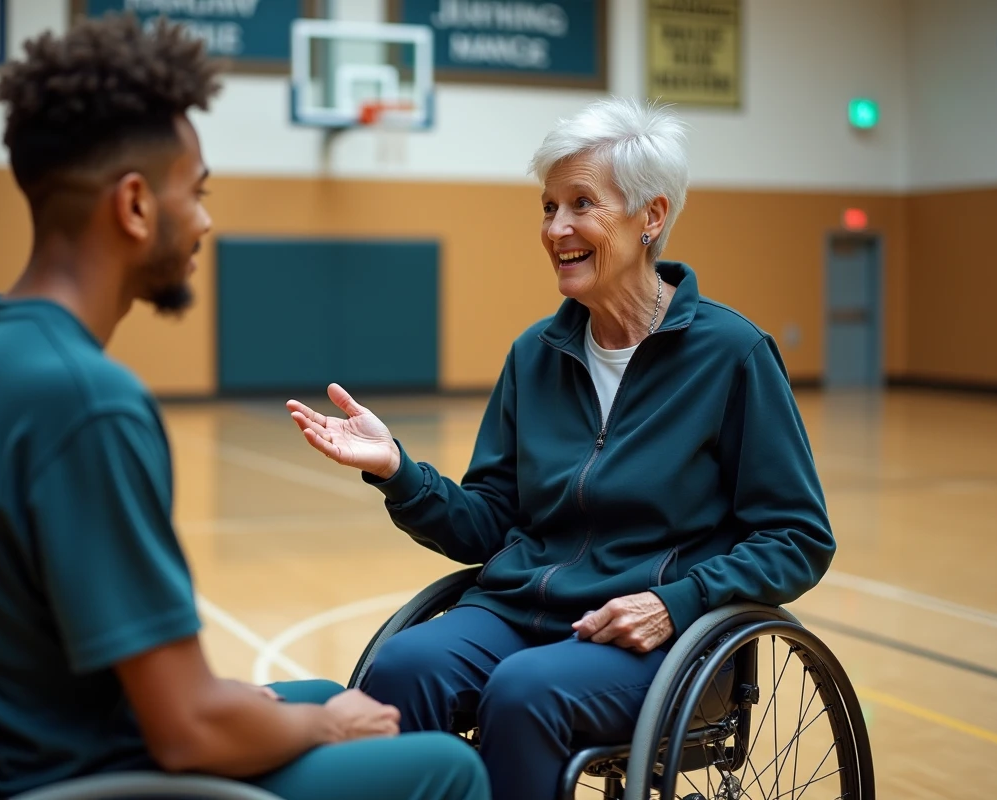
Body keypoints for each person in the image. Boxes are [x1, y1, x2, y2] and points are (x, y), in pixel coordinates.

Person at [0, 14, 487, 800]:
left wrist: (294, 714)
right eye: (196, 192)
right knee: (446, 768)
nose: (205, 220)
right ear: (135, 205)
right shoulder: (86, 403)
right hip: (80, 781)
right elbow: (187, 731)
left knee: (312, 693)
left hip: (16, 746)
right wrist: (318, 728)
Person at [286, 97, 836, 800]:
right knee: (402, 668)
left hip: (657, 638)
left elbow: (798, 536)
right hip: (519, 614)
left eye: (581, 204)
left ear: (652, 217)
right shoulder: (534, 354)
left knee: (523, 692)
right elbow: (488, 520)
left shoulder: (732, 355)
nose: (557, 229)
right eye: (548, 207)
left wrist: (677, 600)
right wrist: (397, 470)